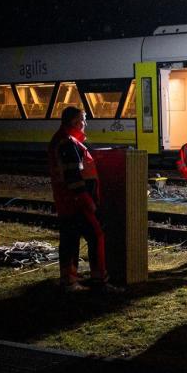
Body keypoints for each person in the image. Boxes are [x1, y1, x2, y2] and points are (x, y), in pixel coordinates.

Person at [47, 106, 120, 293]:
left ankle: (69, 280)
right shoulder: (68, 143)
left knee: (70, 239)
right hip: (77, 202)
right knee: (96, 235)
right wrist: (87, 199)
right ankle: (99, 280)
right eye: (83, 119)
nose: (85, 123)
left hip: (67, 201)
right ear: (74, 122)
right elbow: (73, 175)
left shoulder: (64, 140)